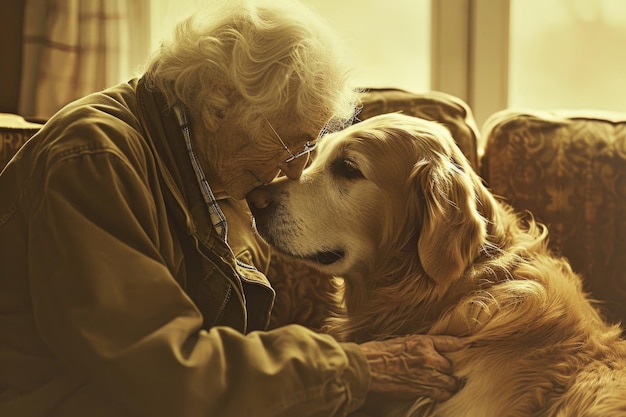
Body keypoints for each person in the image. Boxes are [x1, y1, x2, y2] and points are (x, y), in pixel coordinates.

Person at [0, 0, 464, 416]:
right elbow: (164, 369)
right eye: (292, 143)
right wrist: (356, 369)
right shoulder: (94, 160)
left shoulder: (208, 170)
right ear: (220, 106)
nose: (297, 170)